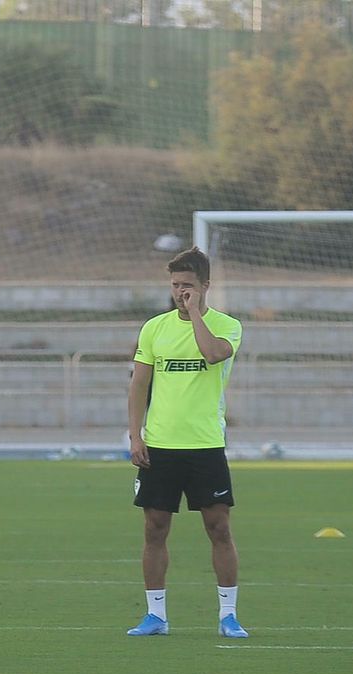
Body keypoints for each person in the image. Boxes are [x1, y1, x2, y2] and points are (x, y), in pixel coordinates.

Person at [126, 246, 247, 639]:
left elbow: (212, 355)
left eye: (188, 286)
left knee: (219, 528)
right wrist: (135, 434)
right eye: (176, 285)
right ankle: (155, 615)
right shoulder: (154, 328)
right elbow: (139, 384)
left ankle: (228, 615)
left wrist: (195, 313)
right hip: (160, 446)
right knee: (155, 528)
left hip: (205, 445)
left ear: (205, 286)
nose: (181, 292)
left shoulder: (227, 326)